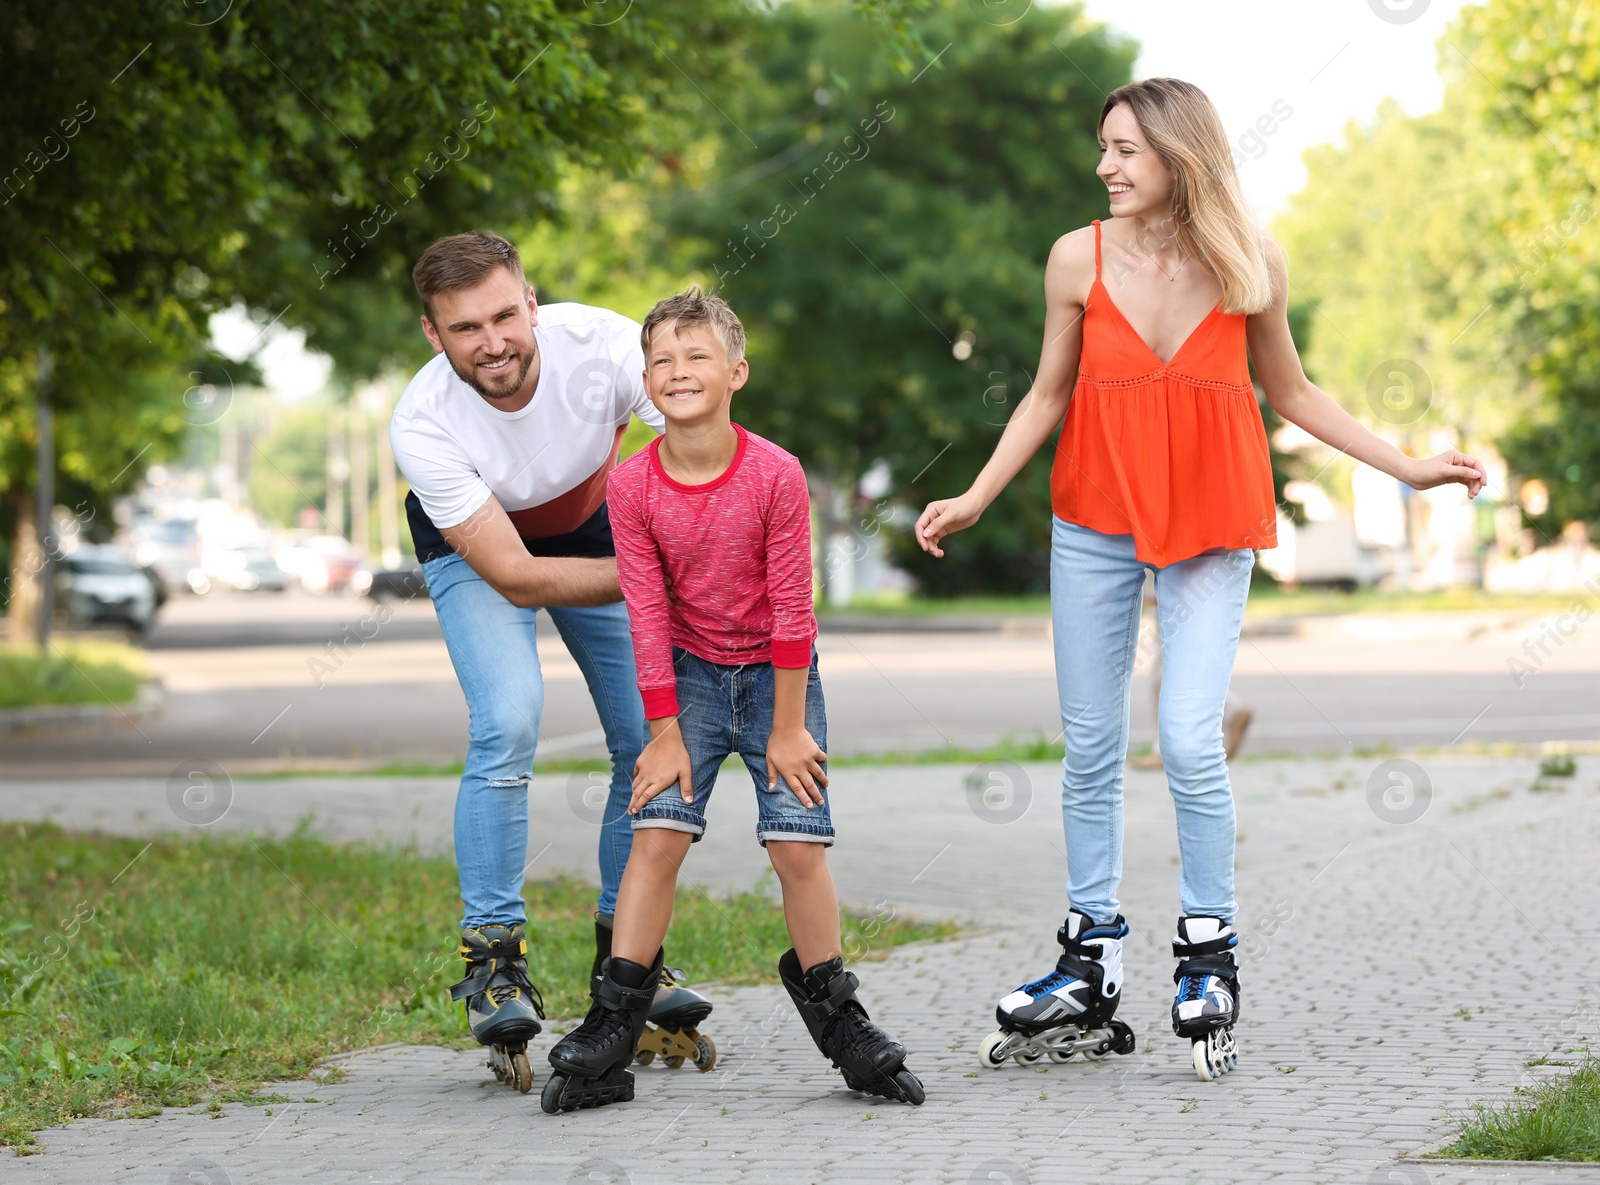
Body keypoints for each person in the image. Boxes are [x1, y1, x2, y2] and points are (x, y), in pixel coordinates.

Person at [917, 79, 1486, 1082]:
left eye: (1126, 150)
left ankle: (1207, 950)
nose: (1105, 167)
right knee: (1090, 745)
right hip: (1093, 518)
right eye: (1104, 148)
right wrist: (974, 494)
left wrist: (1405, 466)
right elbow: (1048, 392)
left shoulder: (1248, 259)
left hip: (1211, 524)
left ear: (1180, 155)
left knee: (1188, 735)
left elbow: (1292, 390)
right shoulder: (1074, 259)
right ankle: (1088, 955)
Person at [539, 287, 925, 1113]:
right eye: (661, 361)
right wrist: (664, 732)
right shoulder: (633, 485)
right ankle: (613, 1022)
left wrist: (788, 726)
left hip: (781, 676)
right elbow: (644, 611)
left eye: (695, 356)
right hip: (690, 676)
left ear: (736, 371)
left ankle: (839, 1015)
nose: (677, 372)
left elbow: (794, 607)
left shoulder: (776, 474)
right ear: (646, 384)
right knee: (657, 836)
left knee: (797, 846)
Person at [389, 233, 715, 1093]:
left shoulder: (606, 346)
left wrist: (696, 545)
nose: (492, 341)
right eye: (465, 328)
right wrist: (656, 571)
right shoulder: (423, 420)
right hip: (482, 547)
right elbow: (518, 578)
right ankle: (494, 960)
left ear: (532, 302)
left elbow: (700, 441)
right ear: (433, 334)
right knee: (508, 720)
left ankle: (628, 957)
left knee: (651, 734)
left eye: (504, 314)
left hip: (594, 520)